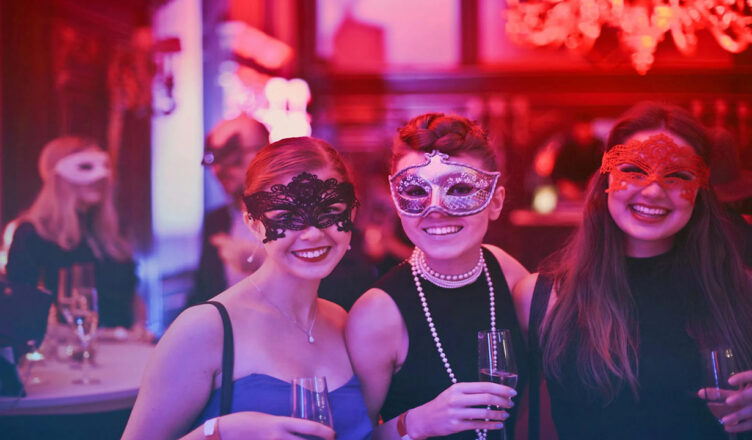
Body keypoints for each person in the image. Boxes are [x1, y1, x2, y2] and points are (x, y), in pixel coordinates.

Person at [514, 102, 752, 439]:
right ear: (605, 179)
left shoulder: (740, 292)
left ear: (701, 191)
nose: (653, 190)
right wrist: (411, 423)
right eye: (634, 170)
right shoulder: (540, 297)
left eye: (678, 175)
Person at [122, 137, 372, 440]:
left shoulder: (343, 323)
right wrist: (220, 432)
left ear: (352, 214)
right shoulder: (205, 328)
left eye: (330, 212)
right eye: (286, 217)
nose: (312, 233)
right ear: (253, 224)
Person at [347, 113, 528, 440]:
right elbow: (352, 436)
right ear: (397, 204)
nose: (436, 209)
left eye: (459, 188)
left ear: (496, 202)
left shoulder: (506, 272)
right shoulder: (377, 314)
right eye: (415, 191)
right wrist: (416, 424)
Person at [5, 136, 145, 333]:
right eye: (86, 167)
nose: (99, 176)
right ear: (57, 176)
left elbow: (132, 297)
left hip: (125, 349)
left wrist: (139, 328)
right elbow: (18, 311)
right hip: (65, 354)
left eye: (104, 166)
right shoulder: (33, 235)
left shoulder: (115, 231)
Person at [188, 114, 270, 306]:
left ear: (264, 153)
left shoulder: (297, 217)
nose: (218, 169)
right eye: (214, 159)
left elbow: (341, 286)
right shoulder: (216, 221)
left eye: (232, 157)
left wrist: (265, 262)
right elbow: (202, 295)